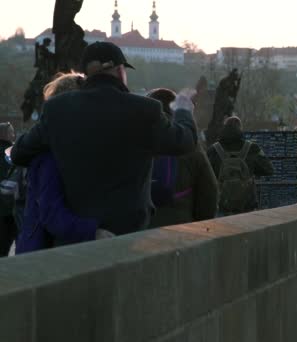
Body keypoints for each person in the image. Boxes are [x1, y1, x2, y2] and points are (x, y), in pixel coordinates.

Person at [11, 42, 198, 237]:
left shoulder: (57, 109)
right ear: (118, 70)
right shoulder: (145, 109)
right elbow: (185, 141)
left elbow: (19, 153)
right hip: (127, 235)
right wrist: (183, 110)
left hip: (75, 236)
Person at [16, 73, 114, 254]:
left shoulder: (56, 145)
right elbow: (51, 214)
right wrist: (94, 231)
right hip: (47, 255)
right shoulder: (50, 155)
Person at [147, 88, 219, 227]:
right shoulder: (190, 144)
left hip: (139, 229)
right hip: (180, 227)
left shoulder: (134, 139)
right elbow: (209, 189)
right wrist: (200, 222)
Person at [207, 116, 273, 215]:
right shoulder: (252, 148)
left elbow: (205, 176)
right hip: (247, 206)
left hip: (222, 206)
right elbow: (269, 170)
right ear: (240, 129)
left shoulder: (213, 150)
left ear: (224, 128)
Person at [0, 123, 17, 256]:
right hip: (9, 208)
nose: (14, 135)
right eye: (11, 132)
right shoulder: (13, 154)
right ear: (5, 135)